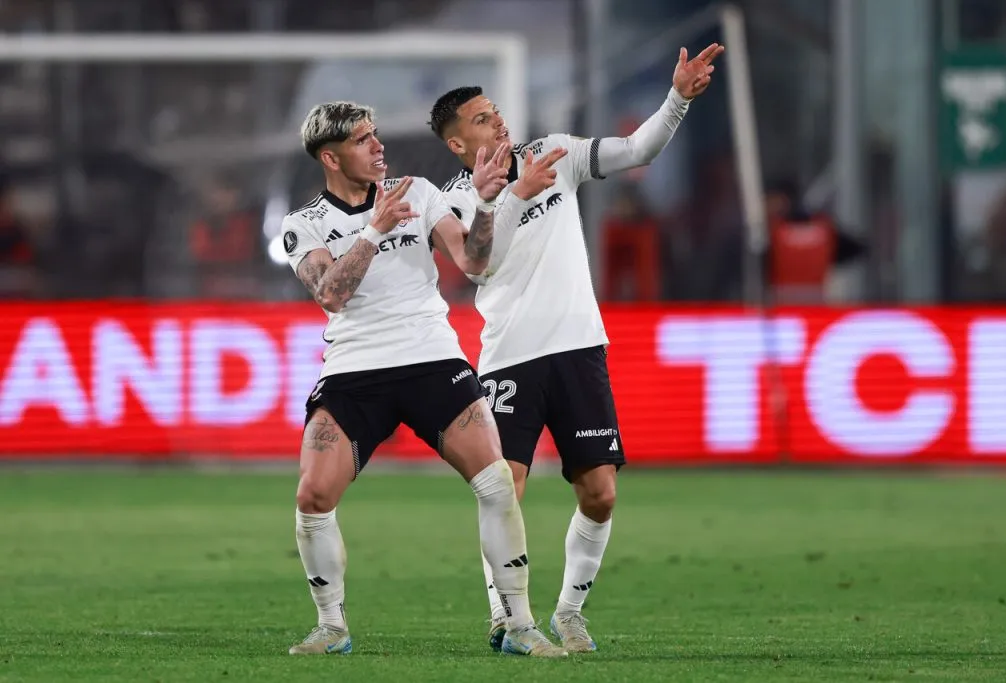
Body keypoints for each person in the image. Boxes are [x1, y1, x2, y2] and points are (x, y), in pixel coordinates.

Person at [429, 43, 724, 652]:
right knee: (502, 487)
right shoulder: (453, 200)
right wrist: (509, 197)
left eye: (495, 111)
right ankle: (507, 616)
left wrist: (677, 100)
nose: (499, 121)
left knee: (601, 492)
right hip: (510, 356)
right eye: (481, 119)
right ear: (457, 143)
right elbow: (481, 266)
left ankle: (568, 611)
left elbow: (638, 150)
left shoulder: (552, 154)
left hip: (578, 348)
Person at [281, 101, 566, 657]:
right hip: (355, 368)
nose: (379, 146)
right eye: (365, 139)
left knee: (495, 481)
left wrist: (485, 202)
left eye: (376, 134)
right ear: (331, 156)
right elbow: (332, 296)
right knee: (313, 495)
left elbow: (474, 261)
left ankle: (518, 624)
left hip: (431, 357)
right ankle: (331, 625)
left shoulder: (421, 190)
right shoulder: (305, 223)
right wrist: (373, 230)